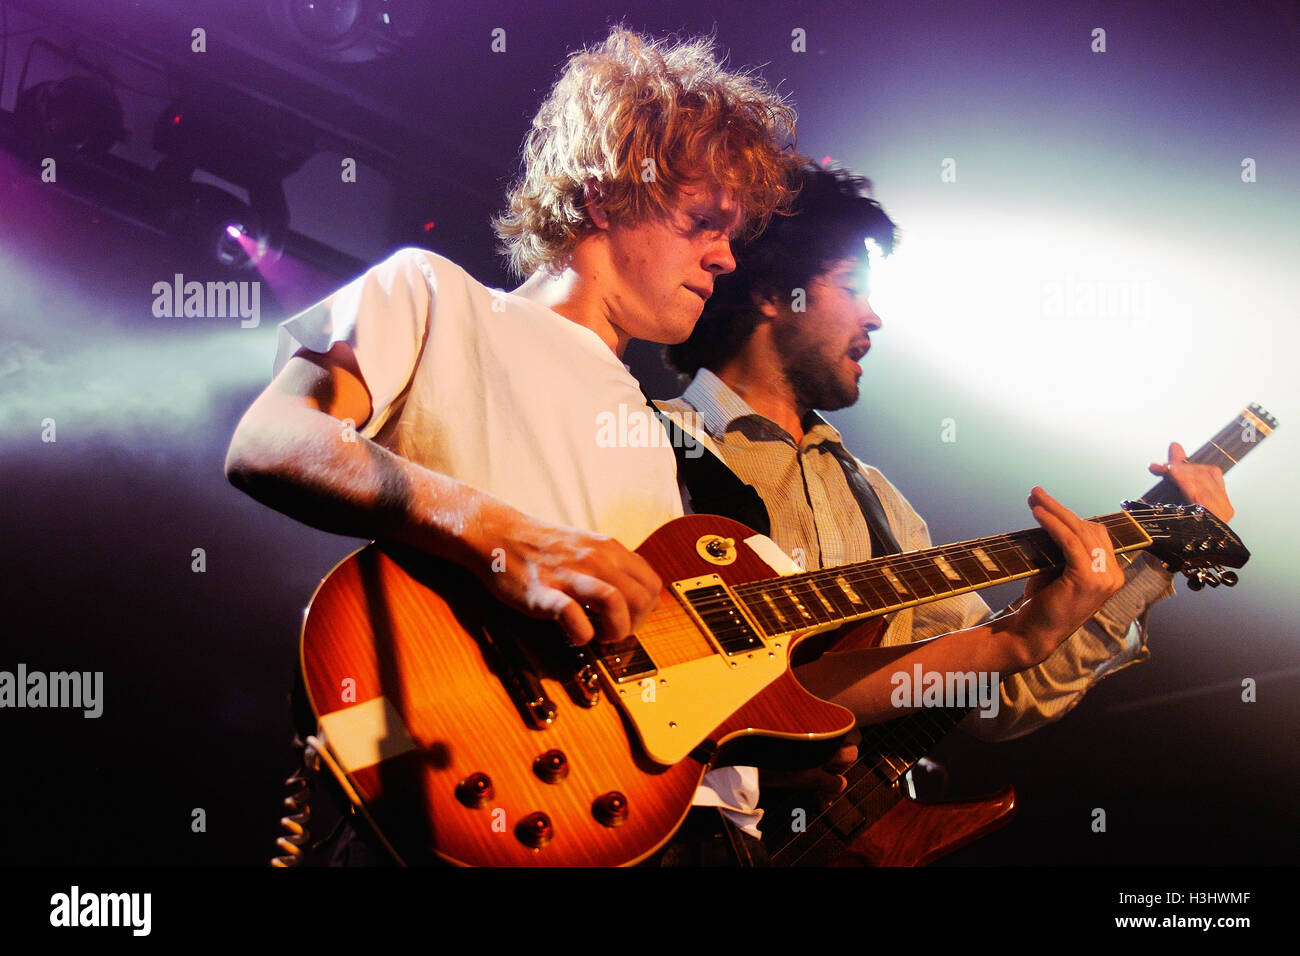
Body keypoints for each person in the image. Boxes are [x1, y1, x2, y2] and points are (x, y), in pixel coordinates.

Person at [224, 26, 797, 865]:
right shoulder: (435, 294)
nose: (724, 256)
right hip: (496, 794)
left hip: (683, 824)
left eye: (733, 233)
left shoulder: (672, 437)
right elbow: (272, 439)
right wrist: (504, 538)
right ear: (604, 194)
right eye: (702, 220)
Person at [657, 162, 1235, 847]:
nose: (874, 316)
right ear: (772, 294)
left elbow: (998, 694)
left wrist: (1151, 566)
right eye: (852, 288)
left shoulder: (878, 503)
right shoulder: (646, 437)